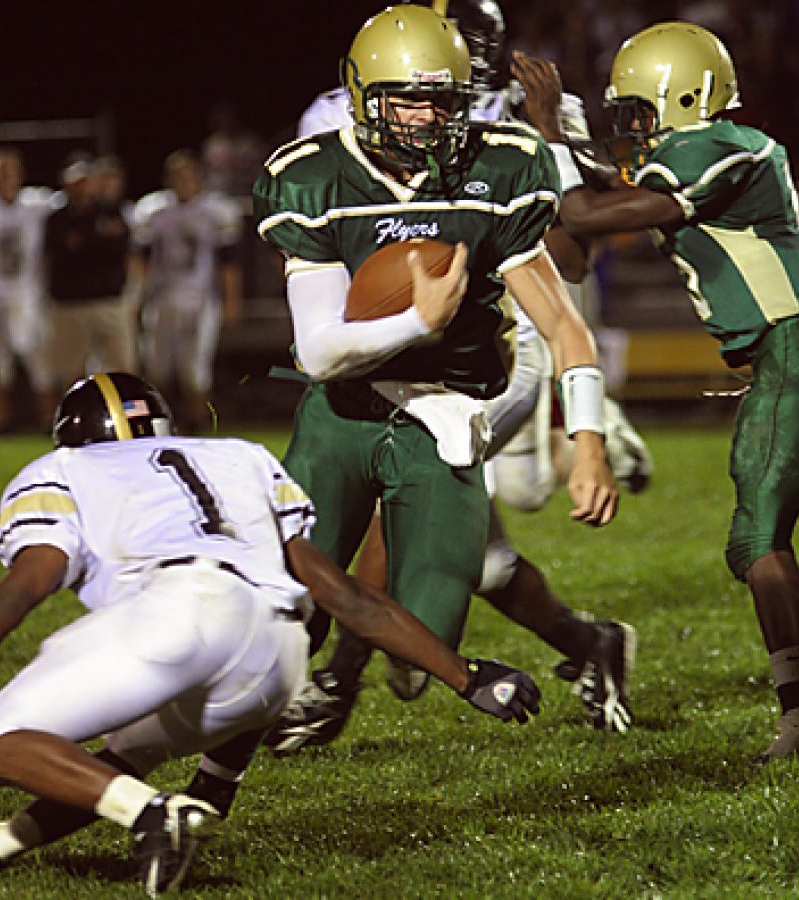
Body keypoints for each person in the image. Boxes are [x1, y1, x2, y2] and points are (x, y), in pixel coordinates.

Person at [0, 371, 540, 893]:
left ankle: (153, 814)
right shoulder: (240, 456)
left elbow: (23, 590)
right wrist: (466, 676)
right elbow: (342, 594)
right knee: (128, 757)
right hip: (278, 654)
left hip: (179, 614)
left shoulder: (62, 470)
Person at [273, 0, 639, 752]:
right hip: (366, 359)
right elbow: (323, 330)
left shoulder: (513, 144)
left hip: (481, 365)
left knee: (408, 536)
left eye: (444, 96)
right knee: (475, 557)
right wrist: (411, 315)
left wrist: (591, 439)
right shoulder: (320, 156)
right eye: (405, 98)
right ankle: (587, 641)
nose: (422, 118)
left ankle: (345, 670)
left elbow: (574, 276)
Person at [515, 21, 799, 761]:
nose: (634, 127)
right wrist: (557, 164)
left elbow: (586, 213)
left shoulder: (718, 145)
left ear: (682, 95)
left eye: (640, 110)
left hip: (794, 350)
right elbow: (575, 251)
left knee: (756, 537)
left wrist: (549, 133)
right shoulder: (691, 156)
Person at [132, 150, 243, 432]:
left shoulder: (214, 211)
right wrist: (136, 298)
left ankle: (197, 423)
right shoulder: (153, 210)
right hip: (161, 299)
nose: (182, 182)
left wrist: (232, 300)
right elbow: (140, 261)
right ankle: (160, 423)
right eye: (176, 176)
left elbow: (228, 262)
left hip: (201, 299)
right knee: (156, 368)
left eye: (187, 176)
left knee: (195, 369)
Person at [0, 147, 57, 432]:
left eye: (10, 170)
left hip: (29, 297)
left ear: (21, 173)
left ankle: (51, 422)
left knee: (40, 364)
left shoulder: (38, 202)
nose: (5, 177)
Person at [44, 152, 137, 394]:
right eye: (76, 182)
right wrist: (96, 240)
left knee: (122, 369)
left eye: (85, 181)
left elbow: (119, 247)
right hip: (70, 304)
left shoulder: (113, 211)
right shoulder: (57, 218)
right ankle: (73, 422)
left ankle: (125, 422)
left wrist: (86, 242)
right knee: (70, 373)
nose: (81, 188)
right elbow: (62, 253)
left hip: (108, 301)